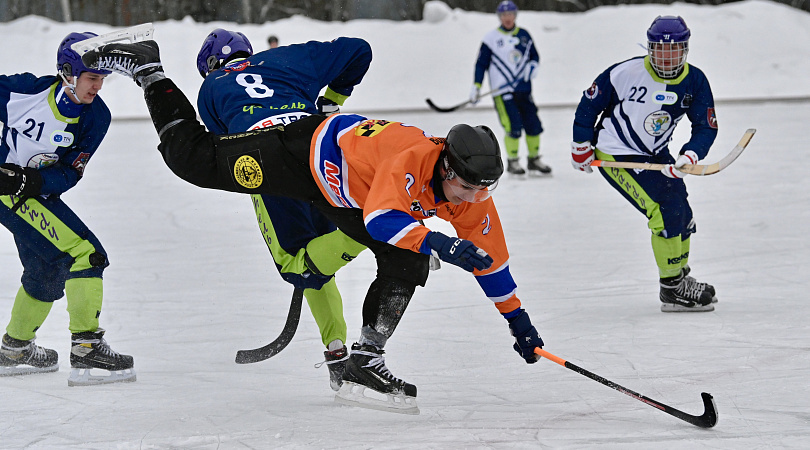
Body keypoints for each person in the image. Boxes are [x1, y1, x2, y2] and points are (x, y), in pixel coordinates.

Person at [81, 39, 545, 414]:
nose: (475, 200)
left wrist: (518, 322)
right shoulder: (408, 160)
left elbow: (493, 265)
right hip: (299, 154)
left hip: (348, 187)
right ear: (445, 167)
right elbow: (384, 219)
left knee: (409, 255)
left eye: (485, 191)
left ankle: (365, 359)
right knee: (193, 162)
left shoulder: (473, 199)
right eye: (468, 188)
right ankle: (150, 72)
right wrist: (444, 243)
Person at [195, 28, 371, 391]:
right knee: (322, 252)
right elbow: (358, 51)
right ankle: (336, 350)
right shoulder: (284, 59)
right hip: (321, 151)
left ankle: (376, 236)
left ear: (211, 65)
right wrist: (331, 101)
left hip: (267, 161)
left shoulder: (211, 86)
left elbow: (225, 145)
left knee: (300, 265)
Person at [0, 32, 135, 385]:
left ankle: (15, 348)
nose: (98, 87)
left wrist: (34, 183)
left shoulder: (96, 118)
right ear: (68, 72)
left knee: (47, 273)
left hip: (33, 195)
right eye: (93, 78)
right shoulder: (24, 91)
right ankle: (87, 345)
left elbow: (71, 172)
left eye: (103, 79)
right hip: (7, 196)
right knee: (85, 253)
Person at [571, 16, 718, 312]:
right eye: (659, 50)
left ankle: (679, 276)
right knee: (663, 211)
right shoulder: (625, 72)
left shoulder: (695, 80)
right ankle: (672, 289)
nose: (666, 56)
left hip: (656, 154)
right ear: (649, 48)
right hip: (617, 155)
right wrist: (581, 146)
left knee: (682, 211)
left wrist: (690, 154)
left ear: (685, 49)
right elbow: (589, 106)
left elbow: (706, 126)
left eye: (674, 49)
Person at [470, 0, 550, 176]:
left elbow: (534, 56)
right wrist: (476, 86)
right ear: (499, 17)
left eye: (511, 14)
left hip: (524, 89)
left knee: (533, 125)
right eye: (504, 15)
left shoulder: (524, 35)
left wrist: (532, 66)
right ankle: (513, 162)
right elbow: (481, 64)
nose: (507, 18)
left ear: (515, 15)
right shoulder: (490, 39)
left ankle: (534, 159)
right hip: (503, 92)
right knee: (513, 126)